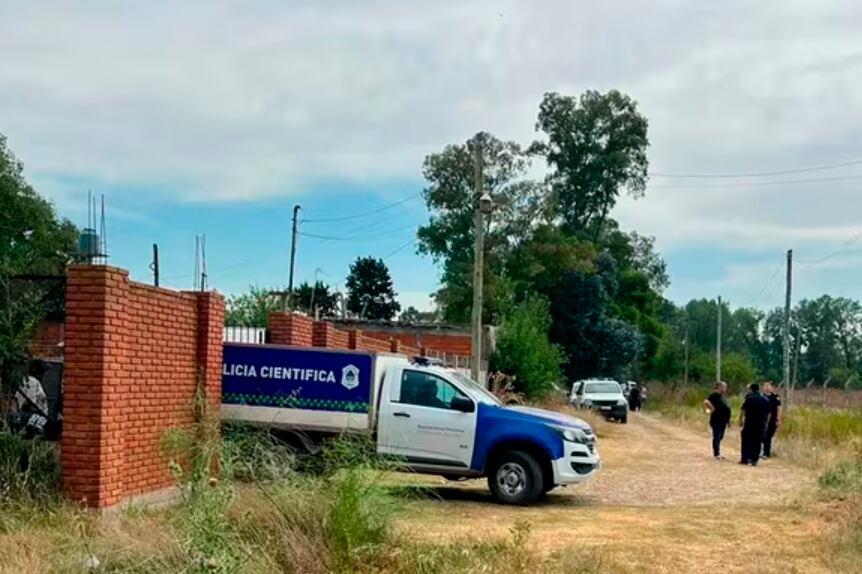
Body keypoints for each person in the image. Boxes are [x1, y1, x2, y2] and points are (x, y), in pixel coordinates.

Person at [739, 383, 771, 466]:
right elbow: (769, 413)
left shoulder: (749, 398)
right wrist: (767, 423)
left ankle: (745, 458)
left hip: (749, 422)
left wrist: (741, 420)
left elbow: (743, 410)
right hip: (760, 423)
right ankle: (754, 459)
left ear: (751, 389)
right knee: (757, 441)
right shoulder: (765, 399)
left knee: (746, 440)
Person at [703, 381, 731, 460]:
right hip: (716, 420)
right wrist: (711, 408)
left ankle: (718, 452)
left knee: (720, 436)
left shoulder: (722, 396)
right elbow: (706, 402)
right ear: (719, 387)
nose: (725, 389)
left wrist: (728, 420)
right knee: (717, 436)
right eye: (724, 387)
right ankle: (716, 454)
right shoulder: (714, 395)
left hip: (723, 420)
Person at [762, 381, 783, 459]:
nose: (767, 388)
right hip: (763, 419)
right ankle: (764, 452)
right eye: (765, 386)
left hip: (772, 419)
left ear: (771, 388)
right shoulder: (762, 397)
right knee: (763, 436)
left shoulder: (775, 397)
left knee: (769, 436)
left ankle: (767, 452)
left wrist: (778, 419)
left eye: (769, 386)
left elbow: (779, 408)